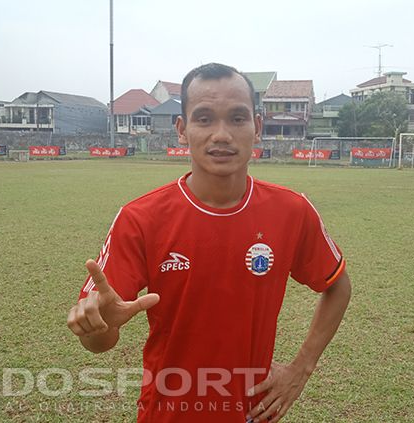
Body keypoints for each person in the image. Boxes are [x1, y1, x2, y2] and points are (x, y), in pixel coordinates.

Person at [67, 63, 351, 423]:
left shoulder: (292, 211)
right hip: (168, 413)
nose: (221, 134)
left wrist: (301, 367)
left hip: (250, 412)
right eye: (204, 119)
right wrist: (101, 326)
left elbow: (337, 286)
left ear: (257, 128)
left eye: (237, 118)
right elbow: (99, 342)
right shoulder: (140, 218)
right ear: (182, 130)